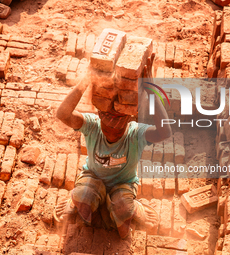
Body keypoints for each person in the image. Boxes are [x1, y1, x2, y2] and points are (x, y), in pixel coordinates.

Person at [54, 53, 172, 239]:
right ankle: (79, 200)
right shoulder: (92, 125)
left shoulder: (136, 134)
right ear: (99, 118)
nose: (111, 134)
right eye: (107, 128)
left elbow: (165, 132)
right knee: (83, 199)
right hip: (92, 177)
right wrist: (85, 81)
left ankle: (132, 208)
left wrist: (151, 90)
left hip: (123, 184)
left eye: (118, 131)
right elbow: (62, 113)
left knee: (123, 211)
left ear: (129, 121)